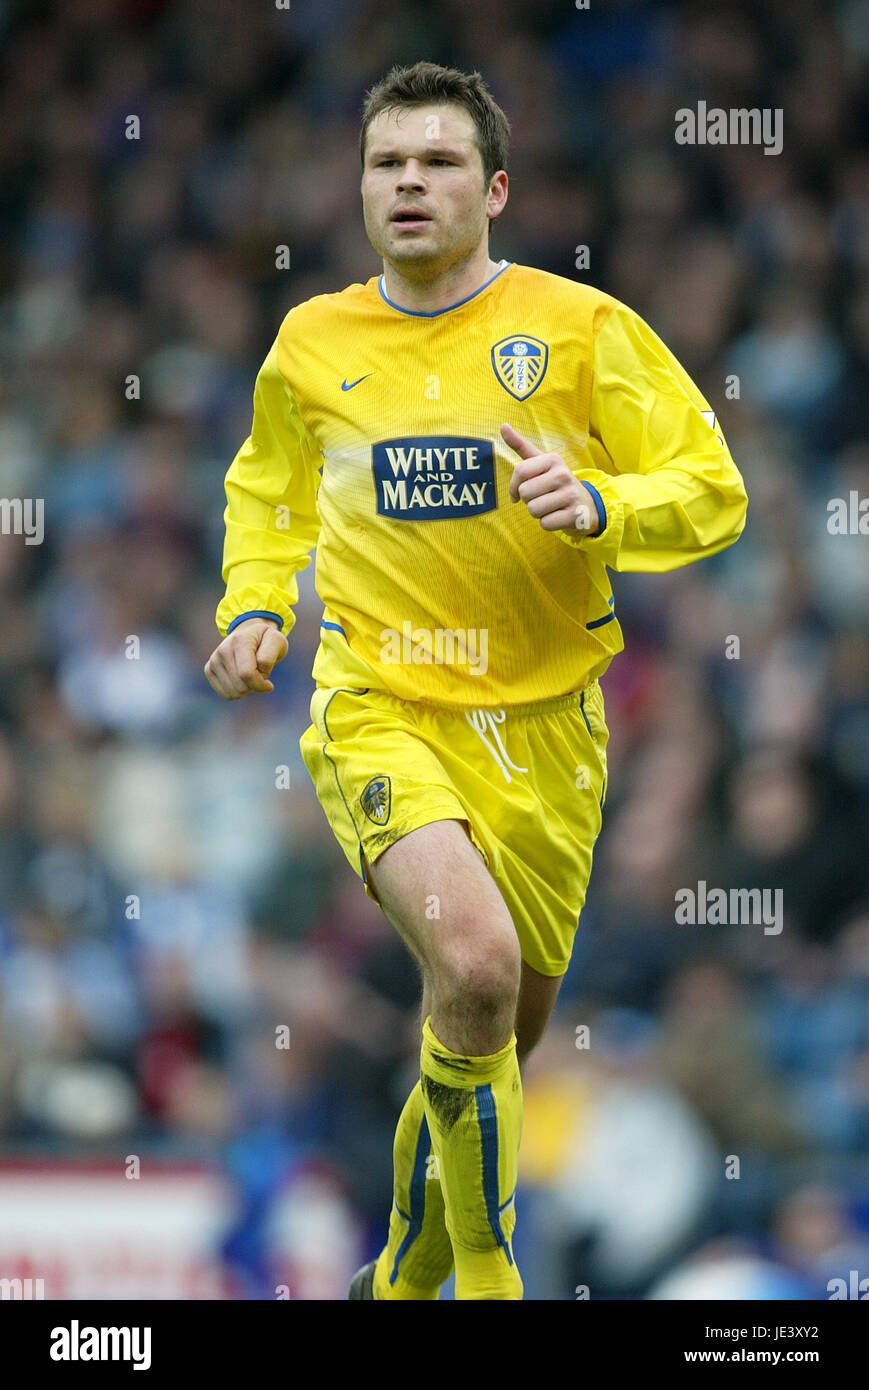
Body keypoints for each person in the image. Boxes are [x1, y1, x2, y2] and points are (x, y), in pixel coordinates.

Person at [204, 60, 748, 1301]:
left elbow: (711, 486)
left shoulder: (578, 329)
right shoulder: (312, 341)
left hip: (548, 734)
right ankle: (487, 1281)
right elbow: (267, 496)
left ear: (493, 187)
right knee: (475, 963)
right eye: (387, 162)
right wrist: (250, 609)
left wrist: (601, 500)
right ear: (359, 186)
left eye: (439, 161)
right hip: (379, 705)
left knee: (488, 1029)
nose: (409, 182)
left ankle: (398, 1273)